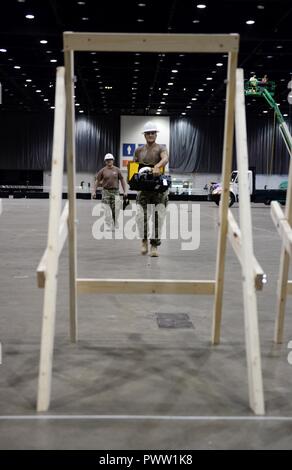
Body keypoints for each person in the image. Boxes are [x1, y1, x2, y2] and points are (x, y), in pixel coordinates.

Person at [133, 121, 169, 257]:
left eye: (153, 133)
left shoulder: (161, 148)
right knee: (141, 216)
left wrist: (157, 166)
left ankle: (154, 245)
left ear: (156, 134)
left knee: (158, 217)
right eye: (148, 133)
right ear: (144, 135)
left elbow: (165, 158)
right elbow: (134, 167)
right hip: (143, 189)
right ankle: (144, 241)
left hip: (158, 188)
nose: (150, 135)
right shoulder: (138, 150)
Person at [92, 153, 127, 228]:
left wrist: (125, 191)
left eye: (110, 160)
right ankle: (108, 222)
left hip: (115, 192)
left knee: (116, 208)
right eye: (107, 160)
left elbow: (122, 180)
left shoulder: (117, 170)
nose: (109, 161)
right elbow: (97, 181)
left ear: (113, 160)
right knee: (106, 208)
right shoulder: (102, 170)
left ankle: (115, 221)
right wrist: (94, 191)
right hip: (106, 192)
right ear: (105, 161)